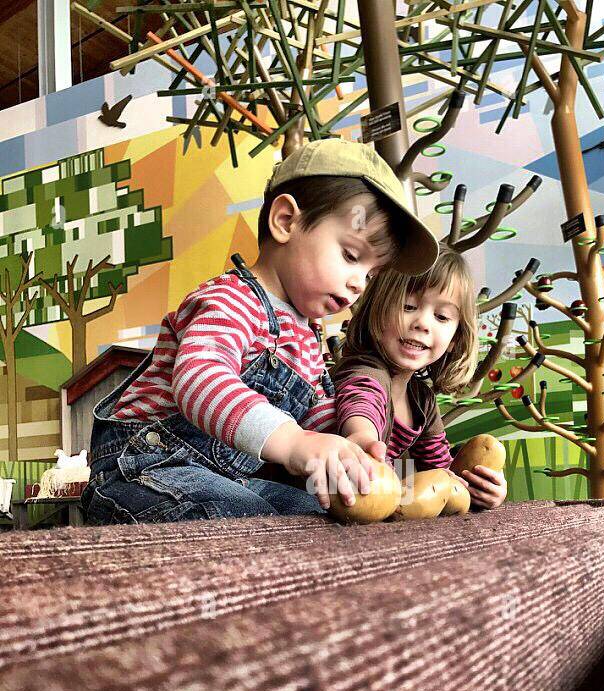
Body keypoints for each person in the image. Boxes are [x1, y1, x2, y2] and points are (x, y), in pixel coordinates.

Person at [80, 138, 439, 526]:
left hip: (230, 478)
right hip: (147, 467)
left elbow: (317, 417)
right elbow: (201, 381)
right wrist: (296, 443)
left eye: (370, 274)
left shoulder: (306, 338)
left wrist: (351, 441)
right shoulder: (230, 299)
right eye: (351, 256)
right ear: (286, 221)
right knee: (245, 521)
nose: (358, 284)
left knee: (318, 519)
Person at [332, 245, 508, 510]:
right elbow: (361, 401)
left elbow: (441, 471)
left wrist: (484, 489)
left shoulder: (421, 400)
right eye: (408, 306)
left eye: (441, 316)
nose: (423, 323)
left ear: (454, 339)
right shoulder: (365, 370)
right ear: (376, 312)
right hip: (316, 494)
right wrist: (363, 439)